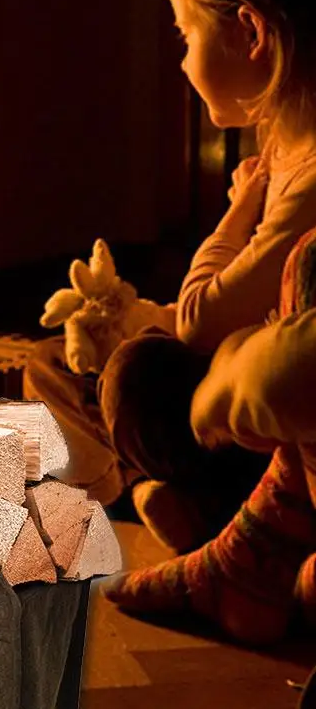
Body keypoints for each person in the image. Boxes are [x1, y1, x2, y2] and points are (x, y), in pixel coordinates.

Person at [24, 0, 316, 555]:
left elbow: (201, 319)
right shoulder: (283, 148)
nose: (181, 61)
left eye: (185, 35)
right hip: (241, 401)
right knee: (53, 364)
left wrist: (239, 209)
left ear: (250, 32)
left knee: (137, 379)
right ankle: (162, 497)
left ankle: (210, 516)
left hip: (273, 440)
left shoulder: (305, 176)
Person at [104, 224, 316, 645]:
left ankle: (231, 539)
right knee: (80, 367)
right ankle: (238, 540)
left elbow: (204, 318)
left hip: (245, 396)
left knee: (134, 378)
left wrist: (223, 381)